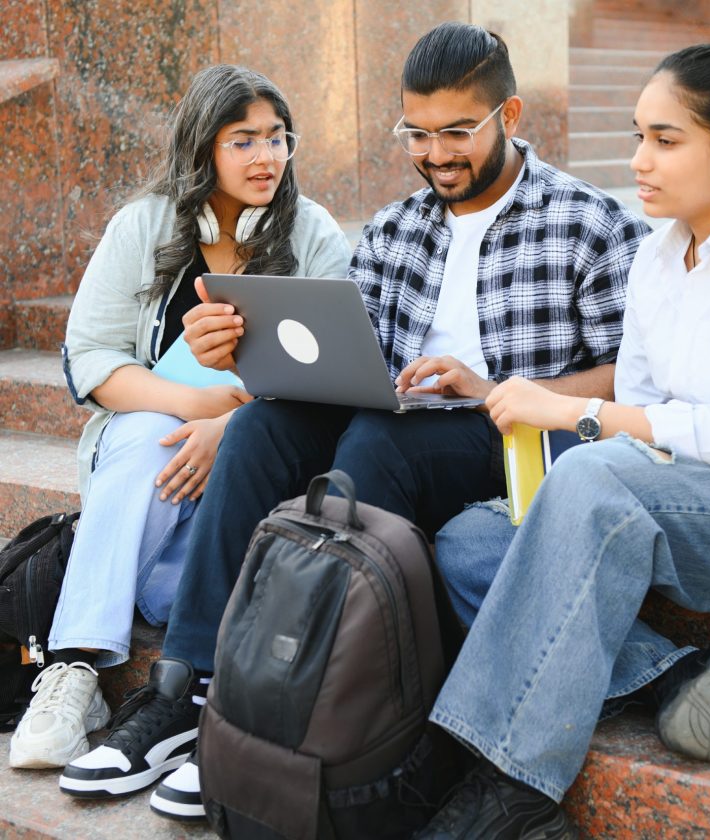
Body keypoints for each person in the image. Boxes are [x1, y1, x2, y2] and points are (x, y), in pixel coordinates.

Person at [56, 23, 648, 821]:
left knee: (378, 443)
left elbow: (636, 376)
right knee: (261, 429)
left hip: (512, 434)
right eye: (416, 132)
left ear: (508, 114)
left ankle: (284, 711)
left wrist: (503, 385)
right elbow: (343, 354)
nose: (434, 153)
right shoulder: (396, 227)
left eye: (455, 132)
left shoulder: (591, 221)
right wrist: (238, 362)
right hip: (397, 420)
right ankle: (185, 690)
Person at [416, 43, 710, 838]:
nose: (639, 161)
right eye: (636, 136)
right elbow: (646, 403)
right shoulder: (660, 255)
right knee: (471, 539)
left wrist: (572, 419)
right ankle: (677, 673)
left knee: (587, 480)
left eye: (666, 140)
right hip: (677, 484)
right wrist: (584, 437)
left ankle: (511, 792)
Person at [8, 65, 351, 773]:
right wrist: (196, 407)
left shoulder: (312, 232)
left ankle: (108, 634)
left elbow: (341, 369)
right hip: (154, 454)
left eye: (277, 138)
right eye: (243, 140)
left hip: (260, 471)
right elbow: (92, 359)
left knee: (165, 586)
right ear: (203, 150)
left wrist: (232, 428)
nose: (266, 157)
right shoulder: (143, 226)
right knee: (140, 436)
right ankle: (73, 672)